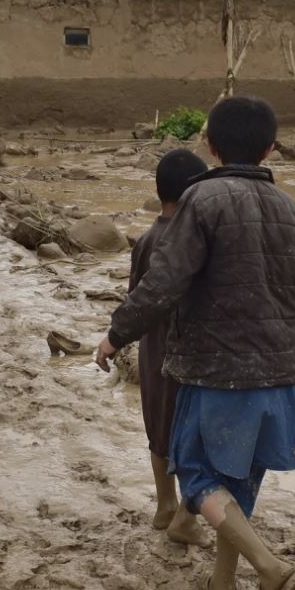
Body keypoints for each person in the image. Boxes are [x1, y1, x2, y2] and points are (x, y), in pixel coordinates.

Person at [94, 96, 295, 590]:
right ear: (270, 148)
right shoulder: (292, 211)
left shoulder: (203, 199)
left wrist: (116, 335)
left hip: (217, 370)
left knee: (196, 479)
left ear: (209, 145)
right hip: (278, 371)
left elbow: (164, 282)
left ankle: (270, 568)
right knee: (236, 486)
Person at [129, 148, 212, 548]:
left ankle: (165, 504)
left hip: (153, 351)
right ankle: (185, 516)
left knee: (159, 433)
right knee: (193, 438)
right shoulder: (200, 243)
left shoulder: (145, 241)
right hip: (193, 357)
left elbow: (136, 300)